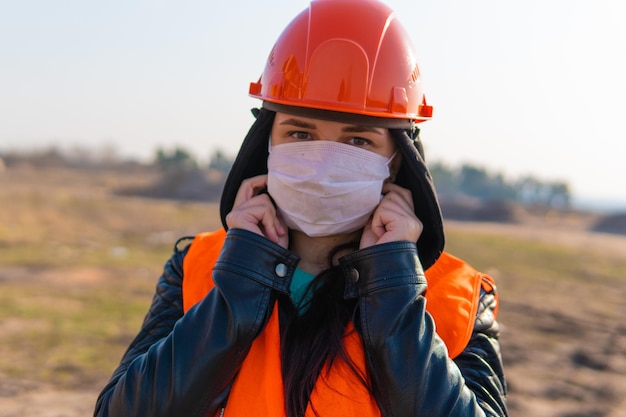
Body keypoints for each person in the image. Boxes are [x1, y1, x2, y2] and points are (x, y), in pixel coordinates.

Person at [94, 0, 507, 415]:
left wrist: (395, 296)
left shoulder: (452, 296)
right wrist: (239, 288)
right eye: (300, 133)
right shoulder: (200, 268)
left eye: (358, 141)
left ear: (397, 160)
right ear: (266, 144)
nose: (324, 165)